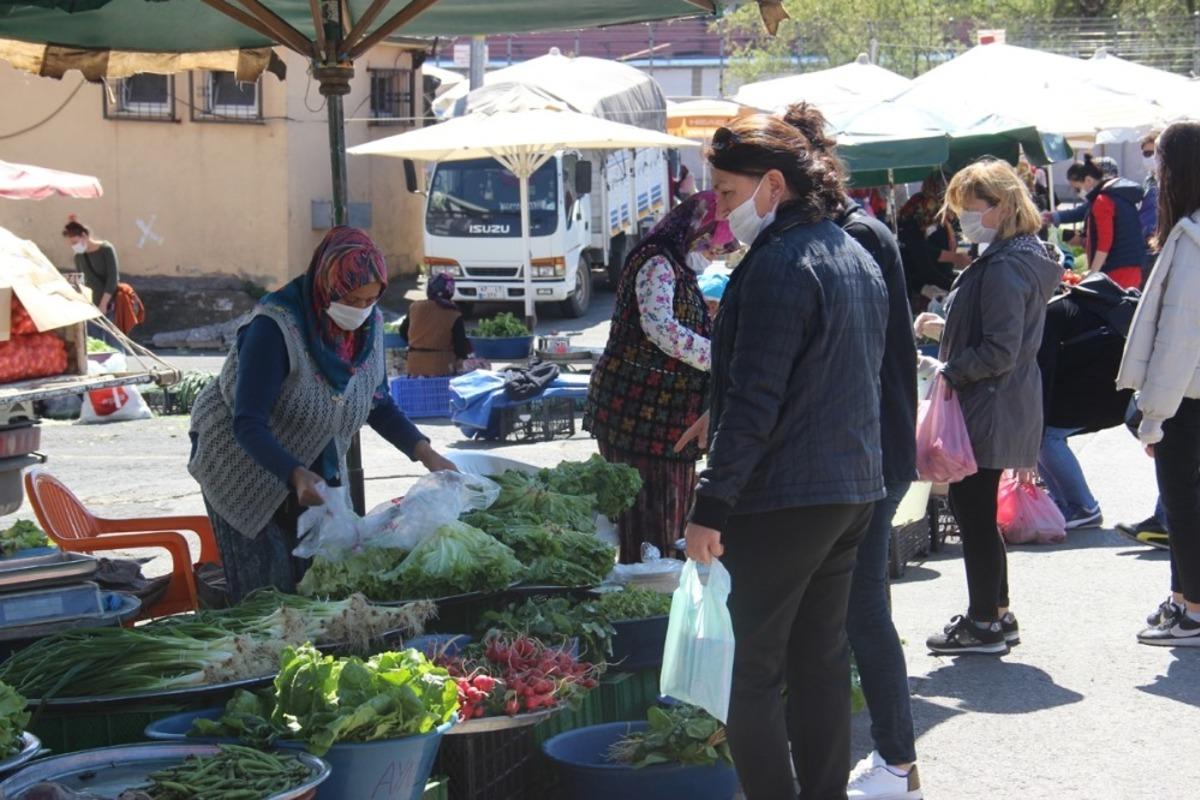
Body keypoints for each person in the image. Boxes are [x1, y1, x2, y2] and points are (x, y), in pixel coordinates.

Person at [681, 112, 888, 800]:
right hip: (850, 488)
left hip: (786, 497)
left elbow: (753, 402)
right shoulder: (852, 253)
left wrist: (710, 506)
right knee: (821, 661)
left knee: (750, 672)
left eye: (729, 193)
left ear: (773, 185)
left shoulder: (779, 265)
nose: (721, 208)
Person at [188, 227, 456, 602]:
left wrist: (427, 453)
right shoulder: (275, 327)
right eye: (351, 298)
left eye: (370, 299)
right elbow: (248, 421)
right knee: (269, 592)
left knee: (321, 580)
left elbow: (377, 402)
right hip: (241, 461)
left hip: (313, 464)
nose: (360, 309)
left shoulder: (369, 326)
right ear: (326, 284)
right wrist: (295, 474)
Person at [786, 102, 922, 799]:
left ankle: (897, 761)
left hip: (869, 450)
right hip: (861, 447)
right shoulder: (846, 230)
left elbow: (856, 361)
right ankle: (853, 757)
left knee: (861, 607)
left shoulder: (857, 236)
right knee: (839, 609)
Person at [925, 159, 1063, 656]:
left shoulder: (1006, 265)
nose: (962, 219)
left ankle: (984, 619)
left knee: (974, 514)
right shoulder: (1017, 258)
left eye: (970, 209)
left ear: (1001, 207)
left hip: (989, 404)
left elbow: (1000, 348)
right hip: (999, 402)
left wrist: (950, 371)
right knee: (977, 513)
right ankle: (995, 612)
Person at [583, 191, 737, 563]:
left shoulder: (675, 263)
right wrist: (718, 359)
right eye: (710, 241)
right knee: (650, 520)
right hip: (639, 416)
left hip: (665, 420)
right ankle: (651, 595)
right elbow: (660, 328)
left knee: (668, 519)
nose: (713, 252)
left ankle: (661, 593)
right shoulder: (656, 263)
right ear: (694, 229)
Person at [1116, 120, 1200, 646]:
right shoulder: (1187, 229)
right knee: (1184, 505)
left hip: (1187, 397)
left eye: (1159, 159)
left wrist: (1153, 416)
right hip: (1189, 393)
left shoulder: (1190, 236)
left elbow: (1178, 338)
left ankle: (1192, 609)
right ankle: (1181, 598)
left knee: (1182, 506)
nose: (1153, 169)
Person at [1036, 273, 1137, 528]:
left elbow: (1043, 371)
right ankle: (1063, 502)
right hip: (1117, 385)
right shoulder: (1073, 303)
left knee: (1045, 435)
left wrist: (1035, 419)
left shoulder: (1050, 313)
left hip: (1106, 389)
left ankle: (1082, 506)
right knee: (1042, 435)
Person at [1065, 155, 1147, 289]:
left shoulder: (1102, 200)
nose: (1081, 192)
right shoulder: (1119, 195)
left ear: (1089, 180)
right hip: (1133, 265)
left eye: (1079, 187)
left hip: (1118, 268)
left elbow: (1105, 242)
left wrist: (1093, 272)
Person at [896, 172, 971, 305]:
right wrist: (955, 258)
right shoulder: (926, 210)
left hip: (933, 281)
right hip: (925, 287)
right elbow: (922, 251)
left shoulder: (934, 209)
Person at [397, 273, 471, 376]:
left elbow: (402, 331)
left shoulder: (415, 307)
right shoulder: (453, 312)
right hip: (442, 367)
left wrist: (418, 345)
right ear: (450, 291)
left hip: (414, 367)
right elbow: (460, 347)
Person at [63, 215, 119, 330]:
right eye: (71, 244)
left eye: (75, 242)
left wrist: (103, 304)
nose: (74, 246)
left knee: (113, 343)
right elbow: (81, 281)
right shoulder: (78, 256)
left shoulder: (106, 249)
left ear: (84, 236)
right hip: (90, 308)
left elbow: (112, 279)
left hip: (109, 306)